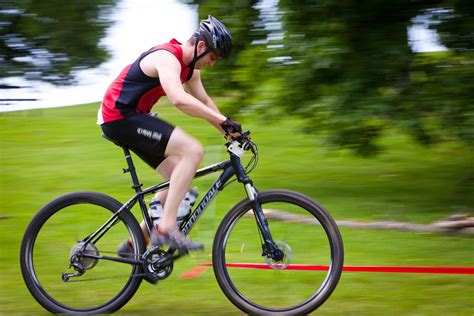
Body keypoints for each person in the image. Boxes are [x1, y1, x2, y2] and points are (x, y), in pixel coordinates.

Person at [97, 15, 242, 254]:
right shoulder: (167, 58)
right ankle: (165, 228)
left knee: (180, 177)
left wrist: (229, 132)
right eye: (213, 57)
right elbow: (178, 98)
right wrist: (222, 121)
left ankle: (136, 243)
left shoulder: (190, 69)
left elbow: (203, 100)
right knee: (193, 150)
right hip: (119, 116)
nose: (212, 63)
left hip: (130, 117)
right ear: (201, 46)